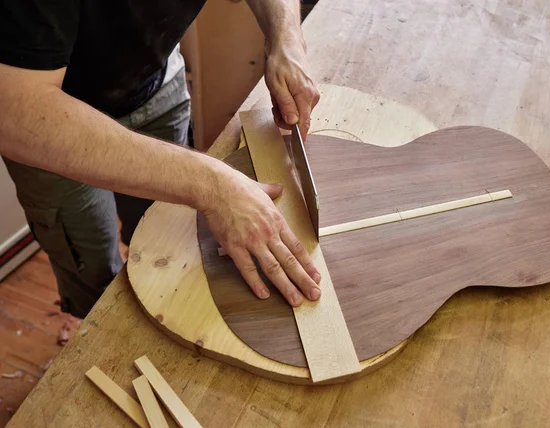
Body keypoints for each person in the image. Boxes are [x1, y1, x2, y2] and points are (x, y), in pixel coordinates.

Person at [0, 0, 322, 318]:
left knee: (167, 241)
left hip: (155, 81)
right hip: (48, 130)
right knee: (89, 265)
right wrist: (208, 182)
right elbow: (14, 111)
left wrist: (286, 38)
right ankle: (90, 322)